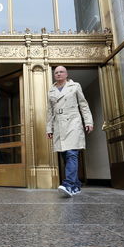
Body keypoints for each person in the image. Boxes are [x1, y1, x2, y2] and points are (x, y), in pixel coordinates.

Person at [46, 66, 93, 198]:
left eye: (61, 72)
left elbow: (83, 105)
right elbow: (49, 111)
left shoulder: (75, 86)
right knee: (65, 156)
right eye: (56, 72)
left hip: (73, 123)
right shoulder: (51, 90)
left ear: (66, 74)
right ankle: (76, 186)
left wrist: (88, 122)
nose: (58, 74)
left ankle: (68, 185)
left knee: (72, 153)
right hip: (59, 125)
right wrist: (49, 128)